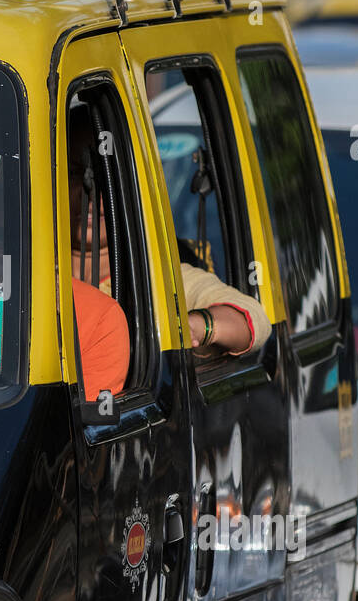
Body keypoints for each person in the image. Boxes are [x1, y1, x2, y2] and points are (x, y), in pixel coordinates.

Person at [66, 108, 271, 400]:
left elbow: (254, 321)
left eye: (103, 174)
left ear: (125, 186)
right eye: (76, 172)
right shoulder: (26, 271)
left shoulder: (156, 280)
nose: (90, 189)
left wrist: (198, 325)